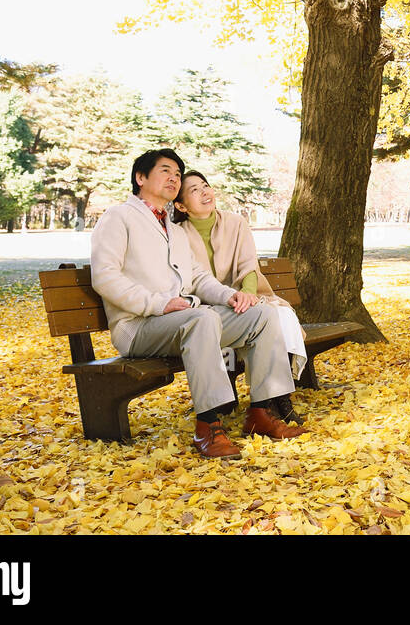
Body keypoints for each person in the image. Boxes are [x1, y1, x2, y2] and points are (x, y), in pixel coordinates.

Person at [89, 148, 306, 459]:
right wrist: (159, 304)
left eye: (178, 174)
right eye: (165, 171)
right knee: (201, 319)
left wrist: (228, 296)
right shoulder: (118, 217)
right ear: (140, 178)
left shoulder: (174, 230)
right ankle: (208, 425)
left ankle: (260, 413)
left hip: (181, 320)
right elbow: (105, 278)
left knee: (262, 315)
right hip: (137, 326)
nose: (174, 178)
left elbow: (200, 278)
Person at [172, 170, 307, 425]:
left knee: (280, 316)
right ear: (181, 205)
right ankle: (257, 401)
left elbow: (249, 267)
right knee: (229, 320)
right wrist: (227, 299)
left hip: (247, 296)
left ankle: (278, 399)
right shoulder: (179, 234)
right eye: (194, 190)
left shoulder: (235, 223)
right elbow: (191, 281)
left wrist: (247, 294)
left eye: (206, 186)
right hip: (208, 304)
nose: (204, 192)